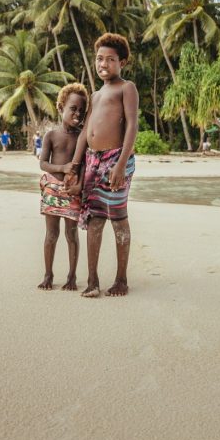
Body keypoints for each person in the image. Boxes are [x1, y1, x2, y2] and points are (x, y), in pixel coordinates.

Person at [65, 33, 138, 298]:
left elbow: (132, 125)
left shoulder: (125, 88)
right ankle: (92, 280)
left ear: (122, 62)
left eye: (110, 59)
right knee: (94, 221)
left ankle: (121, 279)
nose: (103, 64)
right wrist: (74, 165)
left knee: (118, 219)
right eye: (99, 58)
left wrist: (120, 164)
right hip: (93, 162)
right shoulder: (95, 96)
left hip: (116, 160)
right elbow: (85, 132)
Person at [38, 83, 89, 290]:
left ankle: (72, 277)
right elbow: (43, 163)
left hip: (72, 191)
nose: (77, 113)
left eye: (81, 110)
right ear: (61, 108)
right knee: (51, 234)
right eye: (73, 108)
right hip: (52, 188)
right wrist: (63, 167)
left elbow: (85, 165)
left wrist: (80, 186)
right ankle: (48, 275)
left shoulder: (82, 137)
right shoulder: (51, 135)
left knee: (71, 234)